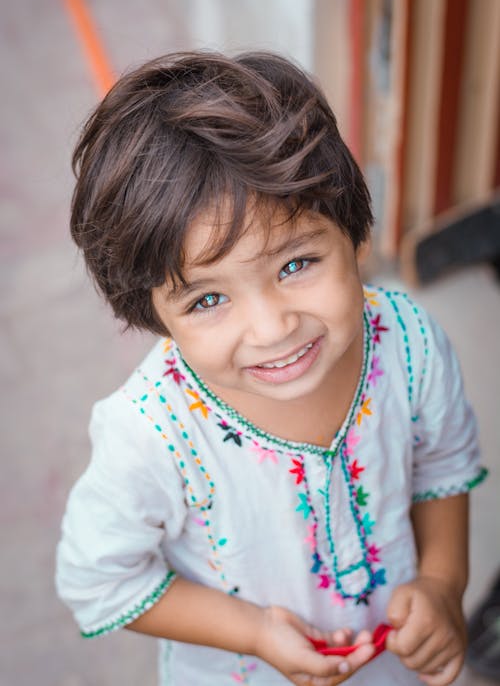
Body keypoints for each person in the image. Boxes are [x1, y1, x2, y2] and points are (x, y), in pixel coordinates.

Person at [56, 50, 486, 686]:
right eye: (207, 299)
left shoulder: (408, 341)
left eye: (296, 265)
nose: (271, 327)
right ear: (154, 317)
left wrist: (443, 583)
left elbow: (442, 467)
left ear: (352, 233)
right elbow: (98, 582)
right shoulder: (151, 433)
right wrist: (255, 633)